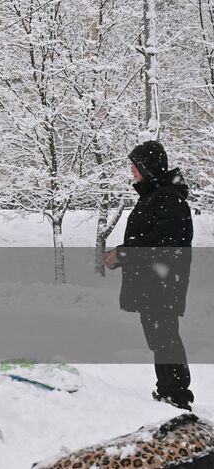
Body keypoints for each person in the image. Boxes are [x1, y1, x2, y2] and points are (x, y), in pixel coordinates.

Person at [104, 140, 194, 411]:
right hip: (153, 283)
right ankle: (168, 391)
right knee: (160, 339)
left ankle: (177, 396)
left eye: (135, 165)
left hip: (161, 284)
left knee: (165, 339)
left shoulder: (167, 198)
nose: (132, 170)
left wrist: (122, 255)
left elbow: (167, 245)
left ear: (149, 166)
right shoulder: (155, 196)